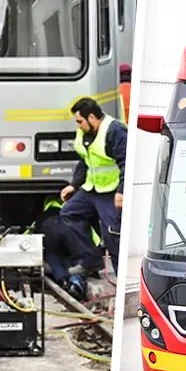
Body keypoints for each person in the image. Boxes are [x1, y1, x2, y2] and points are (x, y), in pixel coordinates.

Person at [61, 97, 126, 277]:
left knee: (113, 234)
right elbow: (85, 161)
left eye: (80, 121)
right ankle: (91, 260)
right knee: (69, 213)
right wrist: (74, 185)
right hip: (91, 189)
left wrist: (122, 191)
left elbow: (127, 162)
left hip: (110, 191)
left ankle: (122, 277)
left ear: (91, 117)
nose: (78, 125)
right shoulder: (84, 133)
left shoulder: (115, 131)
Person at [37, 195, 101, 301]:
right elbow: (95, 239)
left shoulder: (43, 213)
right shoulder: (76, 211)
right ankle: (75, 283)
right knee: (76, 259)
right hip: (71, 230)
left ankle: (62, 279)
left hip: (48, 229)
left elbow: (35, 235)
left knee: (52, 256)